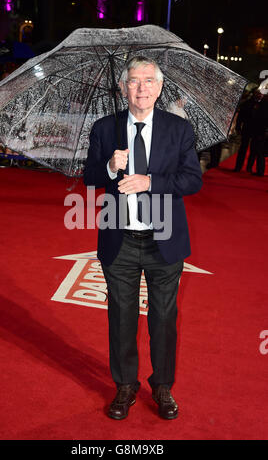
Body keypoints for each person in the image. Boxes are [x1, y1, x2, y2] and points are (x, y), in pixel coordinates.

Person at [83, 56, 202, 420]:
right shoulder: (106, 128)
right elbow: (89, 177)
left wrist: (151, 183)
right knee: (121, 315)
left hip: (164, 238)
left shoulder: (178, 130)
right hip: (119, 239)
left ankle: (162, 385)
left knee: (164, 316)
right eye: (133, 81)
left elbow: (193, 180)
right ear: (123, 88)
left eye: (149, 81)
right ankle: (125, 385)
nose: (141, 88)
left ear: (160, 87)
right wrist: (109, 166)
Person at [234, 90, 264, 172]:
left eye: (261, 94)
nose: (260, 95)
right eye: (258, 93)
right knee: (243, 148)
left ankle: (249, 167)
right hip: (247, 128)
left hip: (258, 130)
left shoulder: (265, 105)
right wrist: (238, 127)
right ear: (254, 94)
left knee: (253, 150)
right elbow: (240, 117)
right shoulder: (247, 103)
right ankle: (238, 166)